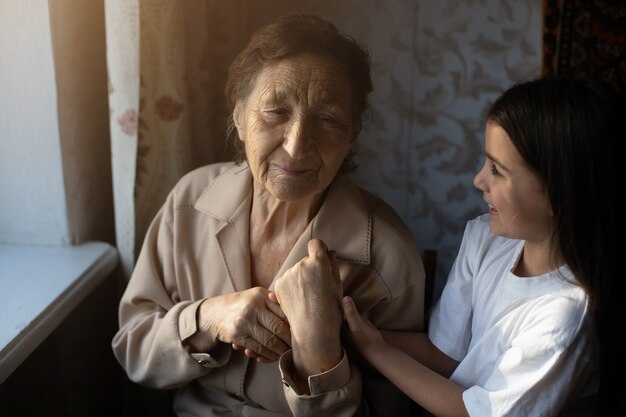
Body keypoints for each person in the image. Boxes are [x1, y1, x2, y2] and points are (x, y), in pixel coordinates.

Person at [111, 12, 426, 417]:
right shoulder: (190, 201)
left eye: (327, 119)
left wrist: (319, 354)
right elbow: (133, 349)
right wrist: (207, 317)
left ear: (351, 137)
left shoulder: (389, 257)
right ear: (239, 117)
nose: (296, 147)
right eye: (275, 113)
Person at [320, 77, 622, 416]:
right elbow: (445, 355)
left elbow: (474, 412)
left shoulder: (563, 318)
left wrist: (376, 351)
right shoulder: (485, 238)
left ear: (561, 193)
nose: (479, 180)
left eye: (497, 170)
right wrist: (338, 327)